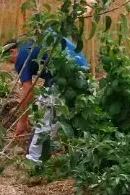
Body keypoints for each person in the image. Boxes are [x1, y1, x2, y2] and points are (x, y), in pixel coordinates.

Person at [11, 33, 88, 164]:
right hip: (82, 70)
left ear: (13, 51)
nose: (14, 65)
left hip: (64, 75)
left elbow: (28, 89)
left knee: (47, 115)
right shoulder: (36, 40)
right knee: (67, 115)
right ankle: (79, 154)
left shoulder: (23, 53)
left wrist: (22, 120)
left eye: (10, 60)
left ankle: (35, 161)